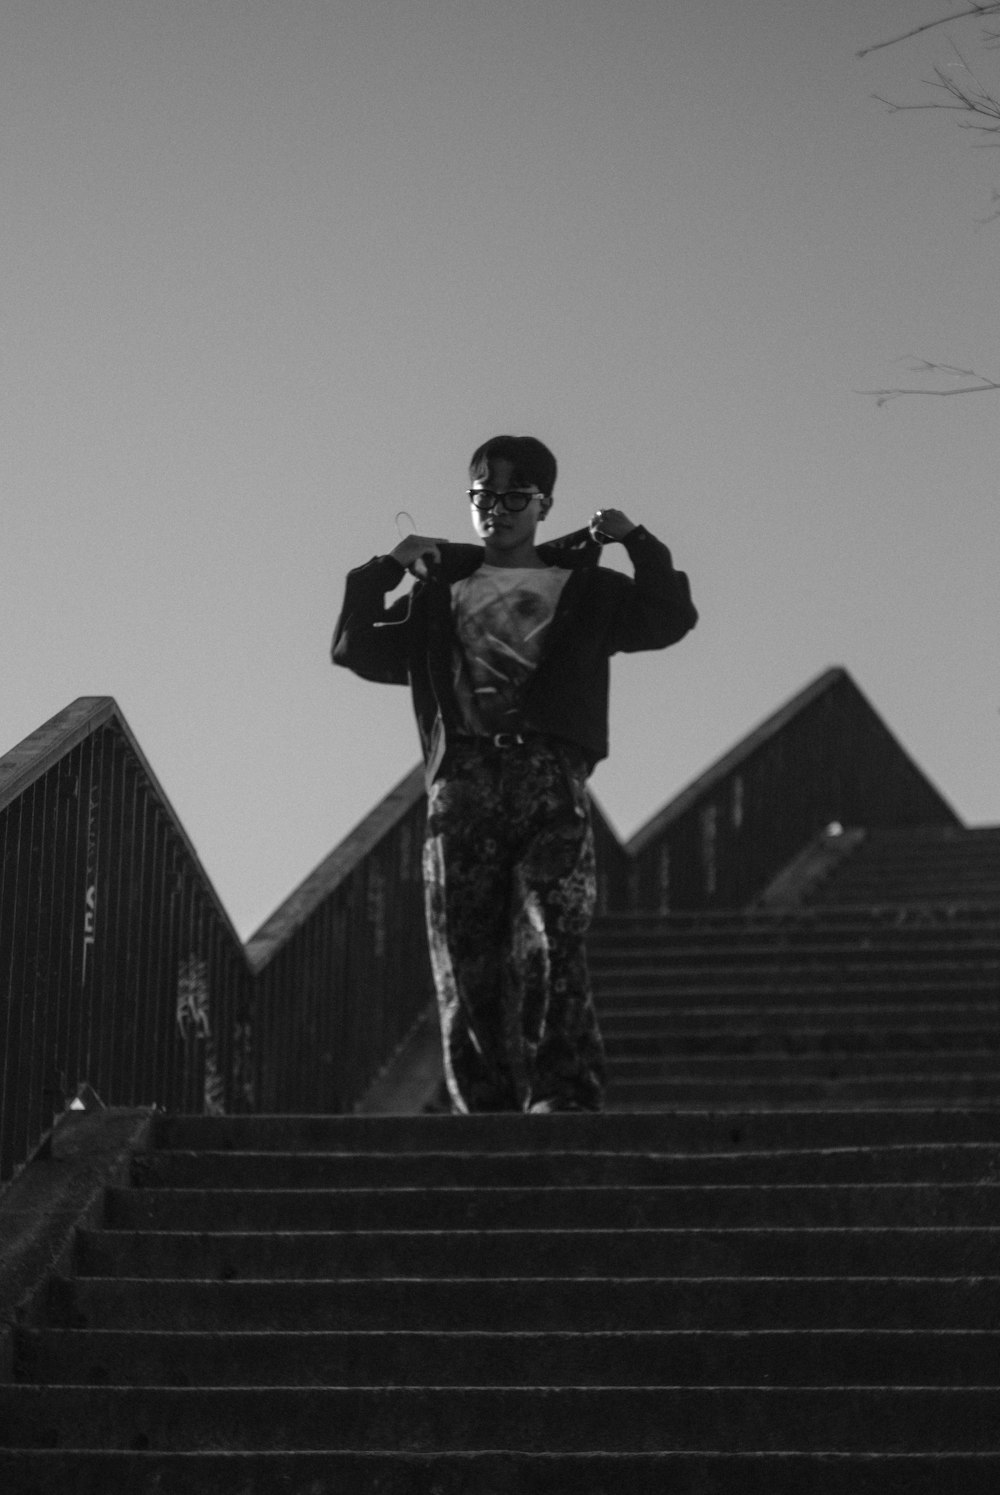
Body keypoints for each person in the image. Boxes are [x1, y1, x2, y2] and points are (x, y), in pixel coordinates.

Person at [332, 434, 697, 1114]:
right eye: (483, 496)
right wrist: (389, 566)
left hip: (547, 775)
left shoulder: (585, 590)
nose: (496, 509)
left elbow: (669, 616)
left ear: (543, 504)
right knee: (464, 952)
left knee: (553, 929)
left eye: (513, 497)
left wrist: (636, 539)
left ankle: (562, 1091)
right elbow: (355, 645)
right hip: (462, 782)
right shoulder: (439, 594)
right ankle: (486, 1105)